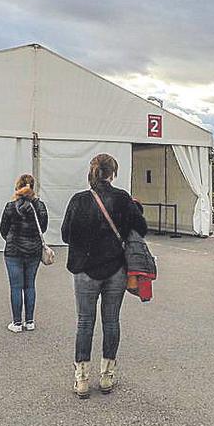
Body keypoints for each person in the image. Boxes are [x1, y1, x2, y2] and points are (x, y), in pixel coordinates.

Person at [62, 153, 148, 399]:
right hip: (116, 270)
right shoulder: (122, 198)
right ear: (113, 173)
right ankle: (107, 375)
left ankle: (81, 379)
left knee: (84, 322)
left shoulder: (78, 200)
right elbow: (141, 229)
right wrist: (135, 209)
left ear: (92, 172)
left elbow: (66, 234)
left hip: (85, 269)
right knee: (111, 321)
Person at [0, 174, 48, 333]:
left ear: (18, 187)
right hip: (33, 250)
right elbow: (44, 228)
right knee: (30, 285)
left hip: (13, 251)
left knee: (16, 286)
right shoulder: (40, 206)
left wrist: (11, 239)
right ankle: (30, 321)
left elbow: (3, 230)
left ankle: (17, 323)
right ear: (33, 187)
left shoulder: (10, 206)